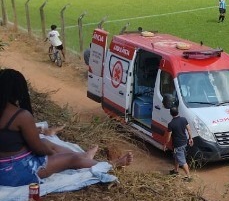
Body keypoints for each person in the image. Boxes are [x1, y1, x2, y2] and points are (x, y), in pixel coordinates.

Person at [0, 69, 132, 188]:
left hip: (4, 168)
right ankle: (111, 165)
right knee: (70, 159)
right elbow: (38, 149)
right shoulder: (21, 115)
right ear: (19, 91)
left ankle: (84, 157)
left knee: (46, 142)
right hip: (16, 172)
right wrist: (53, 154)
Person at [164, 104, 193, 180]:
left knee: (182, 161)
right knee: (176, 157)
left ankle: (188, 176)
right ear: (178, 112)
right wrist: (190, 138)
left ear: (170, 113)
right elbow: (189, 129)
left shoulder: (171, 124)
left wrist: (165, 144)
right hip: (184, 142)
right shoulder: (183, 119)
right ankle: (176, 171)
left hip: (178, 145)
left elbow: (169, 137)